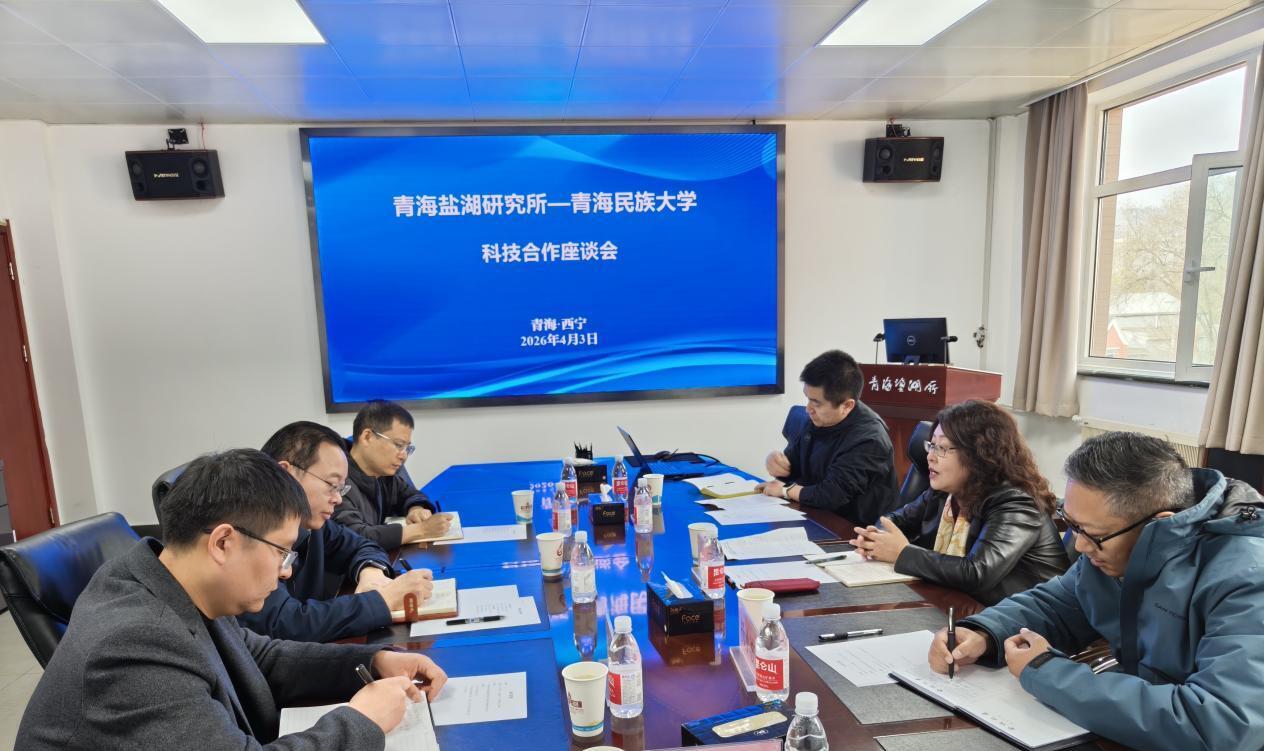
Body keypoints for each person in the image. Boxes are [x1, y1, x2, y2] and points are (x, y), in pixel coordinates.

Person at [17, 449, 448, 750]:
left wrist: (373, 661)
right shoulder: (134, 644)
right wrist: (363, 721)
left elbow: (258, 656)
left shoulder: (172, 579)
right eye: (281, 551)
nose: (286, 571)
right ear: (223, 542)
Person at [926, 432, 1264, 751]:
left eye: (1092, 534)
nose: (1080, 546)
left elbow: (1222, 725)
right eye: (1072, 524)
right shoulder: (1115, 550)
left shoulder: (1247, 578)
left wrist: (1047, 671)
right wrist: (984, 632)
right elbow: (1056, 606)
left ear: (1159, 523)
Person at [849, 400, 1068, 605]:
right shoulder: (945, 492)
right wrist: (875, 538)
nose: (930, 456)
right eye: (931, 445)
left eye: (942, 448)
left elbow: (978, 573)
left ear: (979, 454)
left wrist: (901, 553)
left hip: (1028, 619)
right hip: (965, 605)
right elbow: (895, 521)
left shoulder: (1016, 502)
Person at [237, 421, 437, 642]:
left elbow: (362, 545)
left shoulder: (312, 524)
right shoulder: (246, 535)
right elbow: (287, 623)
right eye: (332, 485)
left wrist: (370, 572)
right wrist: (383, 600)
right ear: (287, 474)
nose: (338, 499)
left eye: (341, 488)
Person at [758, 349, 898, 525]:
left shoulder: (869, 439)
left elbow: (832, 495)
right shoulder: (819, 420)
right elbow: (793, 467)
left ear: (847, 406)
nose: (808, 409)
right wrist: (776, 463)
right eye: (808, 399)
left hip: (855, 530)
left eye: (816, 403)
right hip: (813, 515)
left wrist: (785, 490)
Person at [335, 400, 452, 549]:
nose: (404, 456)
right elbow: (355, 536)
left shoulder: (383, 475)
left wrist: (416, 509)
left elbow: (410, 494)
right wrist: (421, 530)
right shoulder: (335, 481)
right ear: (367, 437)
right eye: (398, 445)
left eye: (407, 448)